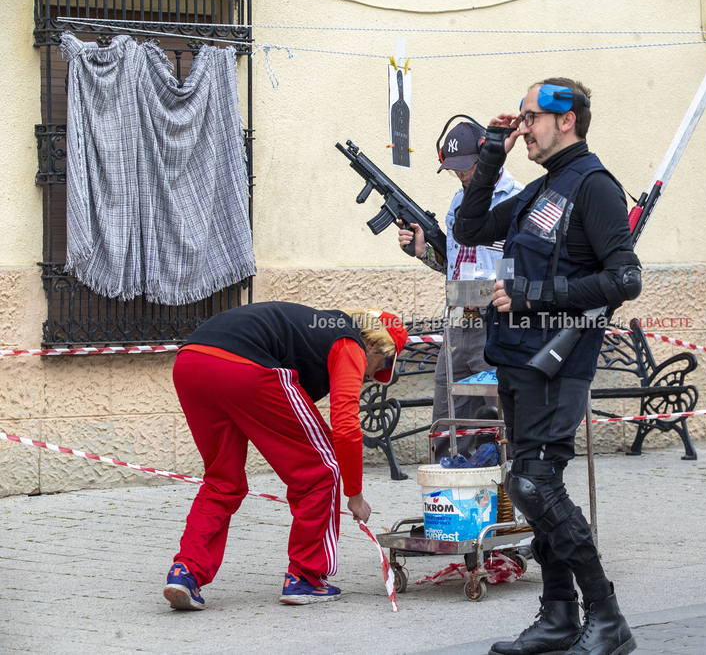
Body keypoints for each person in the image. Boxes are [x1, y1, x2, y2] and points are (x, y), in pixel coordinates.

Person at [454, 79, 642, 655]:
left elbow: (624, 278)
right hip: (516, 358)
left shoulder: (593, 186)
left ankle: (606, 617)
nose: (523, 126)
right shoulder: (542, 189)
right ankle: (560, 613)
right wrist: (491, 153)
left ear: (567, 120)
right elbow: (468, 229)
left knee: (536, 482)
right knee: (528, 485)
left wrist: (532, 293)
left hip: (560, 360)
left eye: (531, 117)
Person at [162, 302, 408, 610]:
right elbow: (345, 425)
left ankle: (186, 571)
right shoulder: (350, 343)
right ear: (374, 343)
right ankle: (306, 577)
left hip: (191, 362)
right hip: (244, 366)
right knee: (322, 470)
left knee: (222, 481)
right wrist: (355, 493)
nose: (374, 374)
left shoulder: (320, 327)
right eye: (382, 364)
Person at [398, 118, 522, 460]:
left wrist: (502, 298)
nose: (461, 174)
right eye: (453, 168)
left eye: (466, 166)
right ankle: (450, 495)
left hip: (493, 319)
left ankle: (505, 497)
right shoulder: (456, 203)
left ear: (487, 157)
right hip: (457, 320)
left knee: (501, 420)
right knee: (446, 419)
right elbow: (454, 267)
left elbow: (515, 263)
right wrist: (424, 252)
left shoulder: (516, 199)